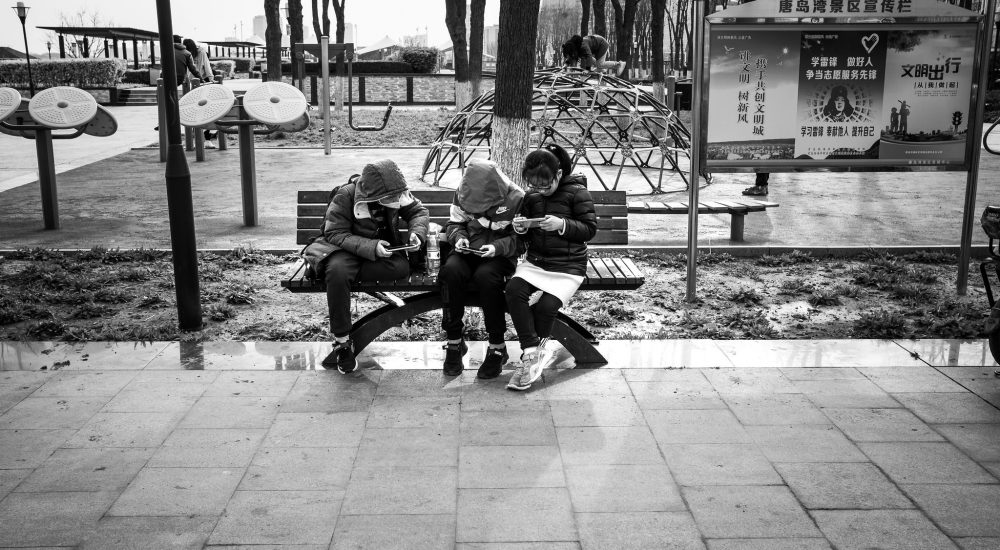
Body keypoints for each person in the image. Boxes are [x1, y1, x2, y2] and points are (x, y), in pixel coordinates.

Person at [302, 159, 429, 373]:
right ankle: (342, 342)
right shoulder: (346, 195)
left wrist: (417, 233)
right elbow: (334, 233)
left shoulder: (396, 191)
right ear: (376, 194)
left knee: (401, 268)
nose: (396, 201)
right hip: (343, 249)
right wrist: (371, 247)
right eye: (391, 198)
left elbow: (418, 212)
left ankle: (337, 275)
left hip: (377, 252)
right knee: (338, 272)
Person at [505, 144, 597, 391]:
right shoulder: (531, 197)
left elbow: (589, 230)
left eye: (545, 186)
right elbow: (525, 237)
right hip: (536, 263)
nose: (540, 191)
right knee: (513, 290)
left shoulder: (578, 193)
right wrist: (521, 228)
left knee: (546, 307)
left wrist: (562, 224)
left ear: (558, 174)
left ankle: (531, 358)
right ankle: (532, 353)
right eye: (534, 186)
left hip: (569, 266)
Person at [438, 159, 526, 378]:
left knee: (486, 277)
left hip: (500, 256)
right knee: (450, 272)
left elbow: (522, 241)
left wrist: (497, 247)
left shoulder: (518, 199)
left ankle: (497, 346)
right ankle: (454, 341)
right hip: (467, 251)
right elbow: (454, 224)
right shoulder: (462, 193)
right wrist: (458, 237)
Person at [183, 38, 218, 147]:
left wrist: (211, 79)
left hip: (203, 81)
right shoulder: (186, 53)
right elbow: (187, 69)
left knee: (205, 110)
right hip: (193, 83)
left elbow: (206, 65)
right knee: (195, 111)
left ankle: (207, 139)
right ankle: (196, 140)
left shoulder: (201, 52)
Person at [562, 34, 626, 77]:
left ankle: (619, 64)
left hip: (602, 44)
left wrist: (587, 69)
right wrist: (566, 64)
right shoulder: (576, 48)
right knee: (592, 61)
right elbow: (571, 56)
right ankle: (601, 69)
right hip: (596, 46)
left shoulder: (583, 46)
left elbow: (589, 56)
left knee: (600, 64)